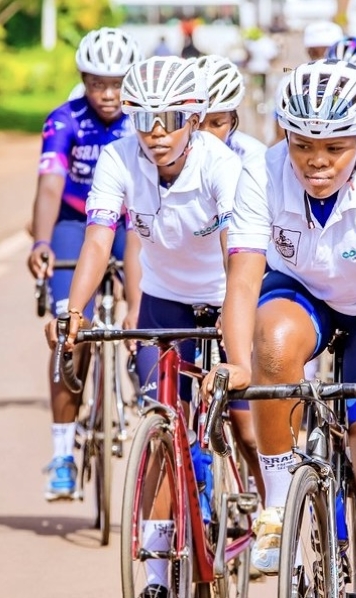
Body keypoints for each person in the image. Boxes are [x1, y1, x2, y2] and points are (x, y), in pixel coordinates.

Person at [204, 59, 356, 598]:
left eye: (334, 148)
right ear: (284, 134)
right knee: (272, 343)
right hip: (303, 296)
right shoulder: (264, 170)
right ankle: (278, 505)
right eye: (304, 145)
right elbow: (243, 277)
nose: (317, 161)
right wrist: (238, 362)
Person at [45, 55, 244, 598]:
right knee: (159, 427)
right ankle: (156, 574)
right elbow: (96, 239)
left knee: (247, 425)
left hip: (225, 294)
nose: (155, 134)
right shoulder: (118, 158)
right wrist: (74, 311)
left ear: (195, 120)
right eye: (144, 120)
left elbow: (237, 253)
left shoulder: (220, 164)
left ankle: (260, 505)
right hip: (164, 300)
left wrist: (235, 328)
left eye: (170, 120)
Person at [27, 27, 143, 501]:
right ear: (83, 79)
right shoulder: (65, 119)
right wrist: (40, 240)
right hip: (78, 222)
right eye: (98, 82)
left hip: (130, 223)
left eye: (117, 82)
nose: (109, 93)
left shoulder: (143, 120)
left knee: (145, 311)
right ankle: (61, 454)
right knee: (69, 333)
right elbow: (51, 183)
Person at [197, 53, 267, 494]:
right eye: (198, 123)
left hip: (240, 288)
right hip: (185, 290)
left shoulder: (255, 160)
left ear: (235, 120)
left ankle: (272, 511)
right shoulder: (169, 156)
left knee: (247, 428)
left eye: (218, 123)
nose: (207, 135)